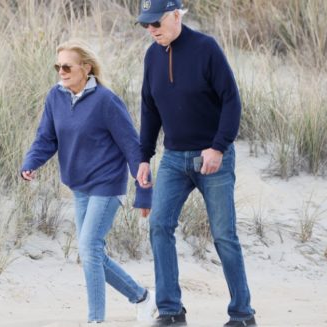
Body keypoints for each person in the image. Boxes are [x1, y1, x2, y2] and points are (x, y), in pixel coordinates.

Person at [135, 1, 257, 326]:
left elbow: (232, 99)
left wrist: (218, 147)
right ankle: (171, 312)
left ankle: (242, 314)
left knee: (223, 235)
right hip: (174, 159)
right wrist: (144, 157)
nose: (151, 30)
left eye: (156, 23)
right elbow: (149, 109)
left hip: (211, 158)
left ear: (176, 15)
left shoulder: (206, 48)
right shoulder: (151, 56)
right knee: (159, 226)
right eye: (146, 25)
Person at [20, 39, 157, 324]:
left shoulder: (106, 101)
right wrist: (31, 162)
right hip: (79, 186)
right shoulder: (55, 97)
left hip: (107, 185)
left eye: (67, 66)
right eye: (58, 66)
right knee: (91, 251)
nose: (61, 71)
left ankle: (96, 320)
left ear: (86, 68)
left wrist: (145, 192)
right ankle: (143, 297)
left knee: (89, 247)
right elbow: (47, 138)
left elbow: (132, 147)